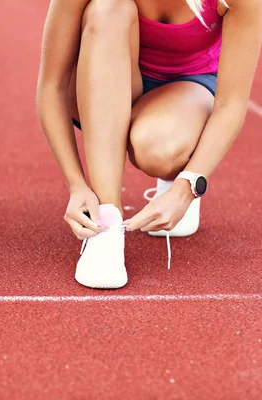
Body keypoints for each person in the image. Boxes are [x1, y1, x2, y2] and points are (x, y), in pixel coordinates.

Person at [37, 0, 262, 289]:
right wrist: (76, 184)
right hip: (101, 79)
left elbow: (231, 104)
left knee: (155, 149)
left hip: (186, 88)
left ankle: (174, 172)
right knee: (108, 8)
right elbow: (51, 87)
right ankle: (107, 224)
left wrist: (188, 185)